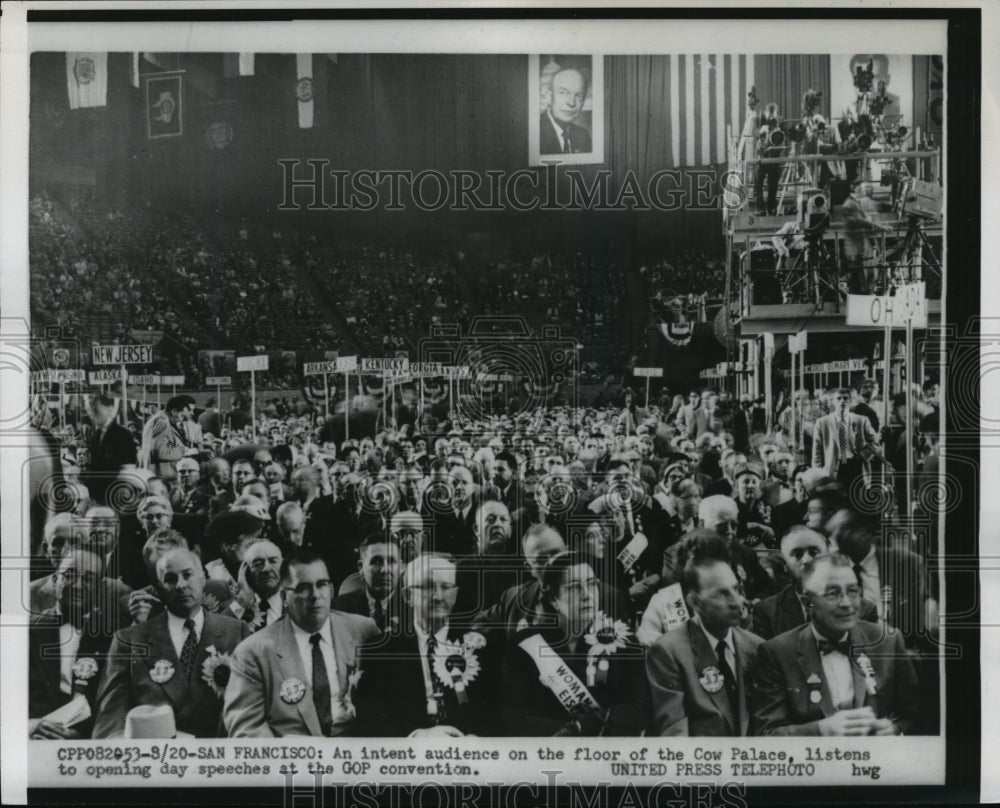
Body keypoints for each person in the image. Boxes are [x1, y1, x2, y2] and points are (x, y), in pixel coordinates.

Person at [751, 553, 920, 736]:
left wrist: (894, 729)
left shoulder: (888, 641)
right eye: (832, 594)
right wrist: (821, 730)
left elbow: (916, 717)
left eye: (853, 591)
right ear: (809, 604)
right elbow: (767, 734)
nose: (847, 603)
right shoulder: (777, 653)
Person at [93, 548, 251, 738]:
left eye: (187, 575)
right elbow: (110, 719)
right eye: (170, 579)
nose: (180, 585)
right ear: (158, 588)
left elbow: (250, 709)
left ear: (202, 579)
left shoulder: (236, 632)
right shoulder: (129, 640)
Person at [223, 550, 380, 737]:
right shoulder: (253, 652)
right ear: (284, 596)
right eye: (303, 587)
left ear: (331, 588)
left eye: (322, 584)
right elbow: (247, 728)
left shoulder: (364, 631)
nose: (315, 595)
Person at [500, 551, 648, 735]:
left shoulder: (624, 641)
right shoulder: (525, 645)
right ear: (553, 599)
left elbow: (639, 709)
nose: (587, 595)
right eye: (574, 587)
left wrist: (579, 728)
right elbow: (514, 718)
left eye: (592, 584)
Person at [355, 554, 499, 737]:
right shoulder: (380, 650)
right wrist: (417, 735)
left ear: (455, 594)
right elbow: (372, 718)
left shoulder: (478, 646)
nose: (438, 596)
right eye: (427, 587)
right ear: (407, 595)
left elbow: (495, 712)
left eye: (446, 587)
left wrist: (471, 740)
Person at [646, 540, 763, 736]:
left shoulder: (757, 646)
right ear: (695, 602)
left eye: (736, 589)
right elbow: (675, 734)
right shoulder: (668, 652)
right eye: (722, 593)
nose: (736, 601)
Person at [29, 549, 119, 739]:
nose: (77, 585)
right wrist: (29, 726)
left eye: (88, 578)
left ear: (100, 588)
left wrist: (81, 736)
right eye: (69, 575)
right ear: (55, 580)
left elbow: (116, 706)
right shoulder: (25, 631)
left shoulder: (115, 637)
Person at [751, 526, 878, 640]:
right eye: (797, 554)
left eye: (814, 552)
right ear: (785, 565)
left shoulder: (863, 611)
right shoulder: (767, 612)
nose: (806, 560)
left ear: (829, 556)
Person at [452, 500, 520, 626]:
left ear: (510, 531)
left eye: (503, 519)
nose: (497, 524)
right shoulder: (459, 571)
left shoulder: (522, 570)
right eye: (490, 519)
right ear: (476, 529)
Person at [332, 534, 404, 631]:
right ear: (361, 567)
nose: (385, 570)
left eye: (391, 561)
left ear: (401, 567)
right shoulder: (340, 607)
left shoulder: (414, 608)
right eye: (377, 562)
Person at [812, 388, 880, 488]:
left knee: (856, 497)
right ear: (833, 401)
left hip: (856, 467)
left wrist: (863, 456)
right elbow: (817, 451)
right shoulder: (822, 422)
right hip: (833, 467)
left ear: (851, 401)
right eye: (838, 398)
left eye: (845, 398)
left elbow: (875, 442)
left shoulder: (862, 420)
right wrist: (817, 474)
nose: (842, 401)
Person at [83, 393, 137, 505]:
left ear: (109, 409)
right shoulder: (95, 435)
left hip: (114, 494)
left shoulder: (123, 434)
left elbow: (127, 469)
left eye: (96, 409)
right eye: (89, 409)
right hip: (96, 494)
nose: (92, 414)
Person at [539, 66, 592, 155]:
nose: (571, 102)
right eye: (563, 92)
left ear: (583, 102)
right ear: (549, 97)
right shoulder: (533, 132)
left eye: (578, 95)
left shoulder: (583, 136)